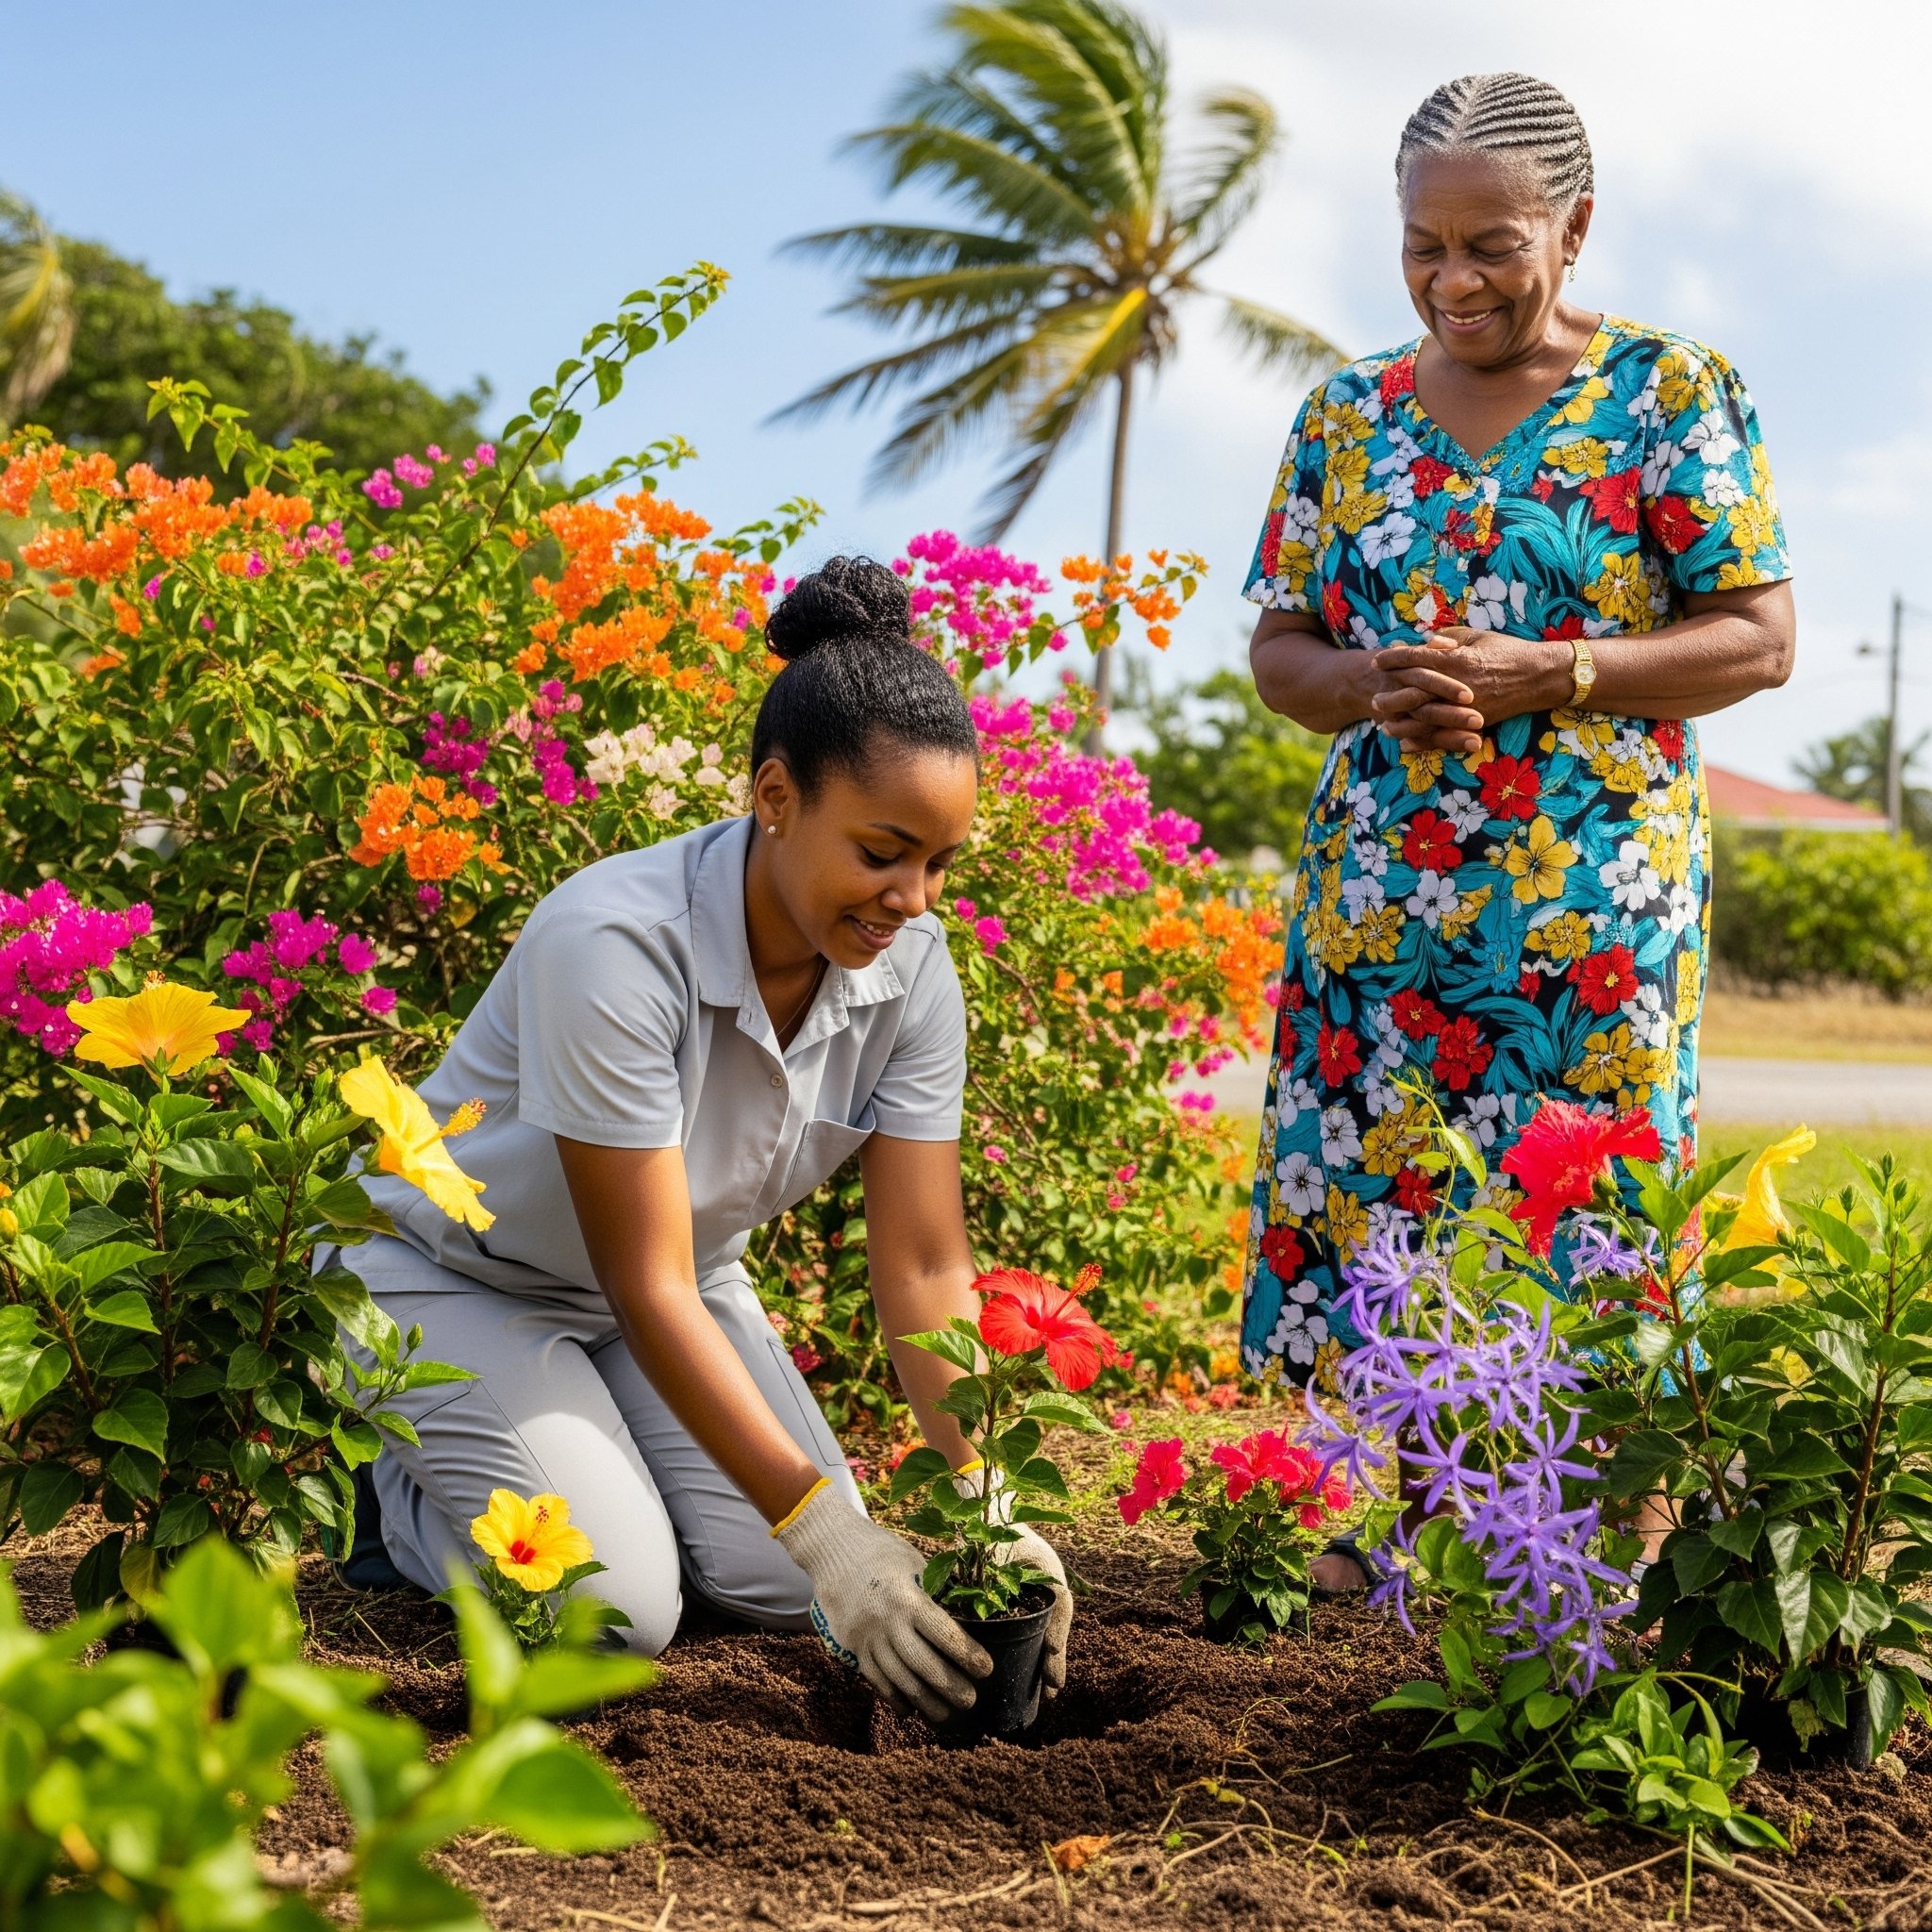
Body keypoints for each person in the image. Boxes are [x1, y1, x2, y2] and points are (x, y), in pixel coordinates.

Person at [338, 557, 1073, 1721]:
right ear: (774, 796)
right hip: (447, 1274)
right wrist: (831, 1524)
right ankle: (400, 1493)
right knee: (620, 1607)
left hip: (668, 1286)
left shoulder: (913, 975)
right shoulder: (617, 943)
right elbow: (644, 1281)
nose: (912, 898)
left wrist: (984, 1499)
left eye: (938, 863)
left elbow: (926, 1268)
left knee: (785, 1586)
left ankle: (578, 1459)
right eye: (881, 851)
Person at [1240, 74, 1795, 1588]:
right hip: (1380, 893)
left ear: (1577, 227)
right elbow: (1280, 652)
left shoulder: (1671, 393)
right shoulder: (1345, 415)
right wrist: (1371, 681)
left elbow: (1757, 639)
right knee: (1388, 1178)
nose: (1452, 280)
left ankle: (1612, 1531)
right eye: (1423, 246)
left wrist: (1559, 670)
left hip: (1588, 903)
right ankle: (1415, 1523)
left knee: (1591, 1183)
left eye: (1491, 245)